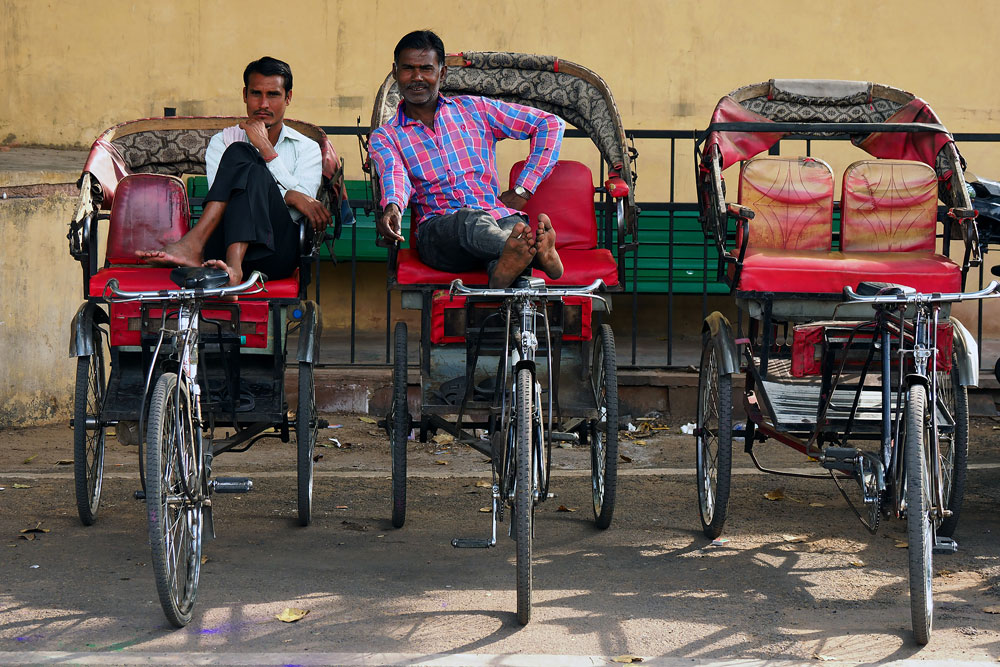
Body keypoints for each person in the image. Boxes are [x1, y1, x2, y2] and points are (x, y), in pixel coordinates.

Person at [369, 30, 565, 288]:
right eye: (408, 68)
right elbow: (395, 174)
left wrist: (524, 188)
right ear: (395, 72)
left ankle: (505, 267)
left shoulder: (476, 109)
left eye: (426, 68)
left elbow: (549, 124)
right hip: (440, 232)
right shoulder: (386, 135)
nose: (417, 77)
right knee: (473, 221)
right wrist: (393, 206)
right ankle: (535, 254)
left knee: (512, 229)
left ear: (442, 73)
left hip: (498, 218)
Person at [138, 56, 328, 285]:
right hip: (221, 249)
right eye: (256, 94)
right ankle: (232, 269)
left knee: (248, 161)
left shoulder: (307, 148)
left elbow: (300, 211)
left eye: (273, 95)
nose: (263, 104)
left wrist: (266, 150)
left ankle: (194, 245)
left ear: (288, 97)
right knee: (241, 152)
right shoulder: (222, 141)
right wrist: (290, 195)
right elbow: (224, 199)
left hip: (276, 253)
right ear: (245, 95)